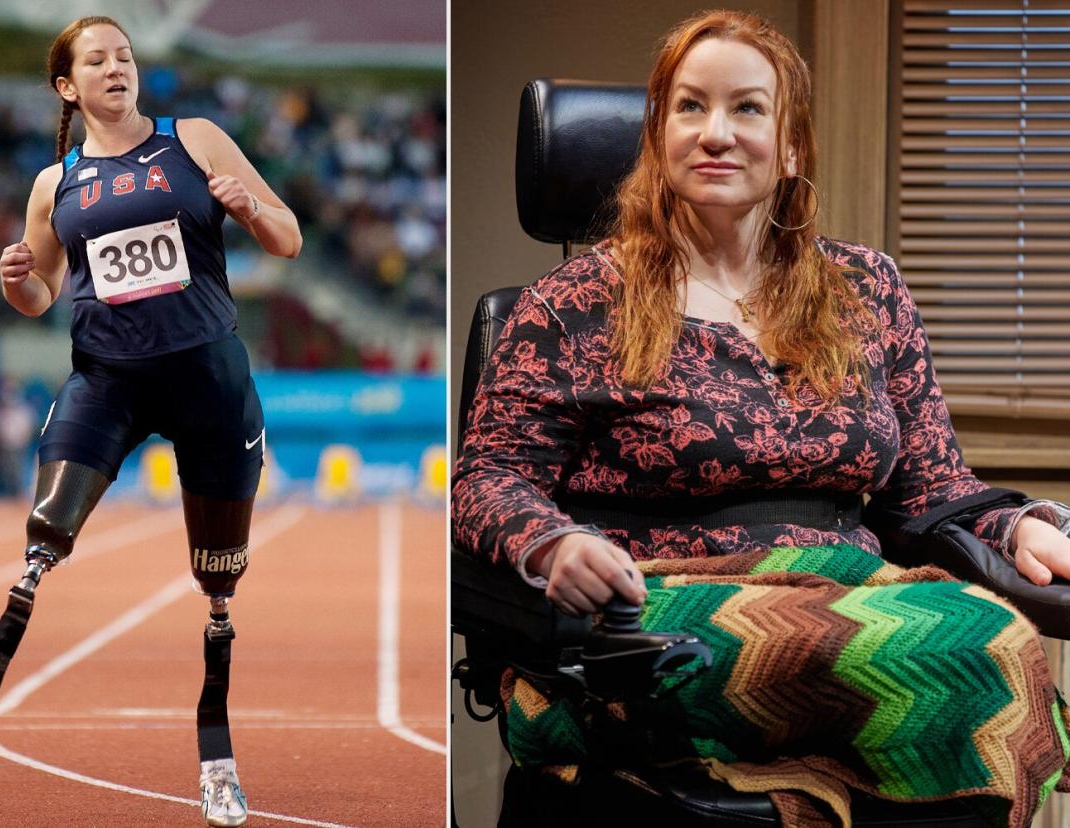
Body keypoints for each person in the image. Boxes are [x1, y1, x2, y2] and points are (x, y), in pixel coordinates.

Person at [452, 9, 1070, 826]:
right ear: (657, 137)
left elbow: (935, 487)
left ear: (789, 148)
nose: (717, 133)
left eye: (747, 108)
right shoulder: (572, 303)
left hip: (852, 592)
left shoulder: (867, 289)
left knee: (997, 645)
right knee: (934, 653)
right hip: (652, 619)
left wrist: (1020, 527)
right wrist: (554, 542)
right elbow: (488, 478)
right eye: (690, 107)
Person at [0, 16, 300, 828]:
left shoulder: (194, 139)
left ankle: (218, 760)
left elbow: (289, 237)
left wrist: (246, 207)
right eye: (97, 60)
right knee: (42, 536)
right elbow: (39, 295)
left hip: (209, 381)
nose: (116, 67)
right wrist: (15, 278)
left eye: (124, 56)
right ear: (69, 86)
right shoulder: (53, 185)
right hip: (107, 382)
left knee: (219, 579)